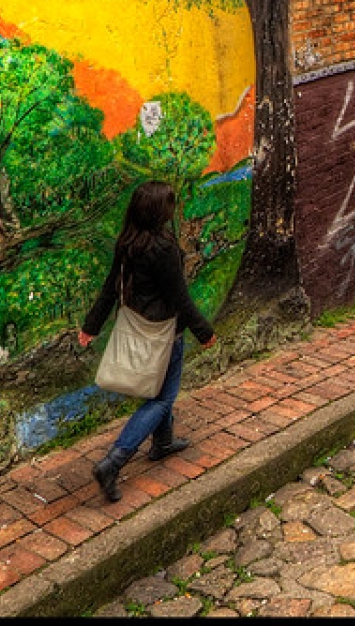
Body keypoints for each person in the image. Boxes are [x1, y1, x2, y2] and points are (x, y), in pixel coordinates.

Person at [79, 180, 216, 502]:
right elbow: (179, 297)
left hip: (137, 323)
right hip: (164, 330)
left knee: (159, 391)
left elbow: (110, 288)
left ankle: (163, 442)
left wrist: (91, 326)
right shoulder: (164, 248)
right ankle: (114, 461)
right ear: (159, 212)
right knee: (161, 399)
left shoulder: (127, 242)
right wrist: (204, 331)